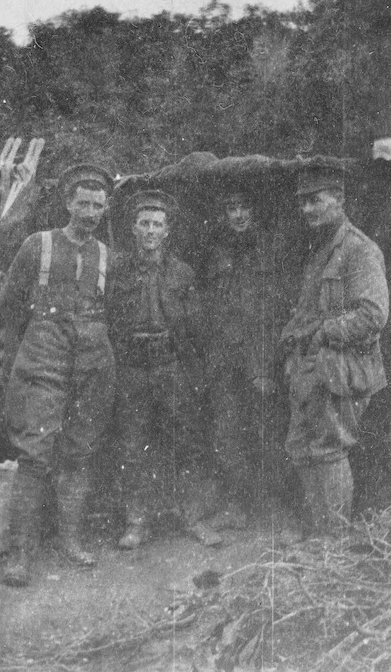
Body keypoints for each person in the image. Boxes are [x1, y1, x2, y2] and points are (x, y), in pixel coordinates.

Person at [1, 163, 116, 586]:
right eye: (82, 203)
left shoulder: (107, 255)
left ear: (105, 209)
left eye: (97, 205)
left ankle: (70, 540)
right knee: (35, 454)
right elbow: (10, 305)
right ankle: (20, 556)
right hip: (44, 358)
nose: (89, 212)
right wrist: (26, 355)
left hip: (92, 362)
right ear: (68, 203)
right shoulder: (39, 245)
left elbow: (114, 315)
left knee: (80, 451)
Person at [279, 161, 389, 542]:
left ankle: (333, 541)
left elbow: (373, 315)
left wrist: (324, 332)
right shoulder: (322, 248)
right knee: (305, 448)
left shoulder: (359, 249)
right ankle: (320, 534)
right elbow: (313, 307)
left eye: (315, 200)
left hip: (343, 371)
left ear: (339, 199)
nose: (307, 209)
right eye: (302, 202)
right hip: (316, 368)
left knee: (328, 449)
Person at [107, 190, 221, 549]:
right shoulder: (116, 270)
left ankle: (194, 517)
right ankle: (136, 522)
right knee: (131, 443)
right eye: (145, 223)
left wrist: (195, 371)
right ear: (133, 229)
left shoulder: (183, 273)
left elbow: (198, 328)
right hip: (132, 367)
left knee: (187, 441)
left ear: (167, 230)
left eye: (158, 224)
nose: (151, 230)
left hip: (172, 366)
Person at [204, 191, 290, 526]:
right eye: (231, 208)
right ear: (223, 215)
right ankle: (238, 507)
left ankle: (274, 510)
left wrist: (266, 365)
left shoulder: (272, 249)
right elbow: (210, 310)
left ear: (255, 212)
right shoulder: (216, 253)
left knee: (266, 434)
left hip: (260, 359)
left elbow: (277, 312)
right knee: (228, 435)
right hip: (226, 359)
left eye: (244, 208)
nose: (238, 215)